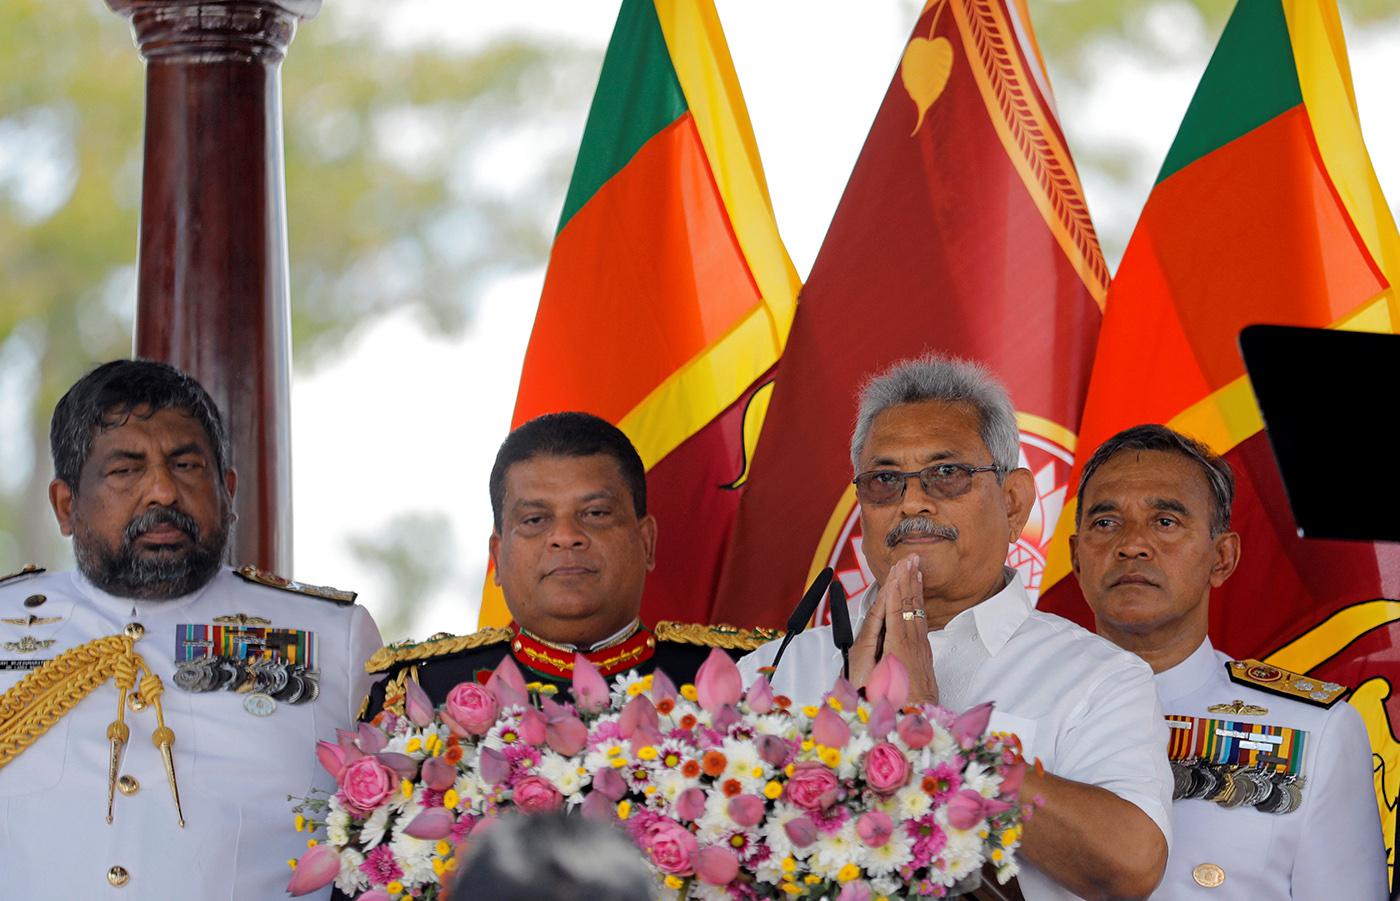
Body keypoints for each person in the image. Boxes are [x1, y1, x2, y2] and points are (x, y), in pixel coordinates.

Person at [738, 354, 1172, 900]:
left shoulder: (1099, 677)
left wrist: (933, 732)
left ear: (1013, 503)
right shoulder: (773, 670)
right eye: (885, 480)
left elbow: (1129, 868)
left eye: (947, 474)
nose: (912, 501)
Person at [0, 359, 381, 899]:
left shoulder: (332, 637)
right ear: (66, 506)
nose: (162, 492)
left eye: (185, 465)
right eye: (125, 470)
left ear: (227, 492)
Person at [1070, 423, 1387, 897]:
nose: (1131, 544)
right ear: (1076, 557)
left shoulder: (1317, 732)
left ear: (1222, 558)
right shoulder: (1011, 707)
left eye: (1165, 521)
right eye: (1105, 522)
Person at [361, 412, 774, 719]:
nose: (566, 536)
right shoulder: (419, 692)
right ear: (497, 560)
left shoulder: (749, 676)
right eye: (535, 520)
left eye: (594, 513)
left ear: (647, 542)